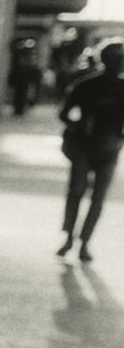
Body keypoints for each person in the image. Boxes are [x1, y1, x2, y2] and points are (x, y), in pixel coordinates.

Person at [56, 37, 124, 262]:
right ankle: (73, 240)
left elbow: (64, 113)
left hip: (103, 147)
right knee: (82, 194)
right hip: (88, 146)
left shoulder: (87, 84)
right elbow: (65, 113)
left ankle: (81, 241)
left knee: (88, 196)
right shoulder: (86, 85)